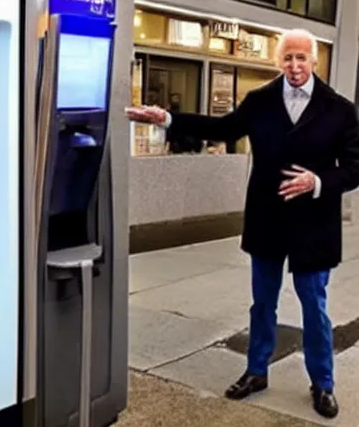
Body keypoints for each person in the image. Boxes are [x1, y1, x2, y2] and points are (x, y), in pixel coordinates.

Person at [125, 28, 359, 419]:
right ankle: (256, 371)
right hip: (268, 219)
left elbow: (354, 169)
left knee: (314, 308)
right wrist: (168, 118)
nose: (295, 65)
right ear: (278, 61)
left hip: (314, 225)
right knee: (262, 304)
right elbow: (222, 129)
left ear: (314, 61)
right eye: (288, 58)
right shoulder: (260, 101)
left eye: (302, 58)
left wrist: (318, 182)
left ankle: (323, 382)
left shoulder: (339, 109)